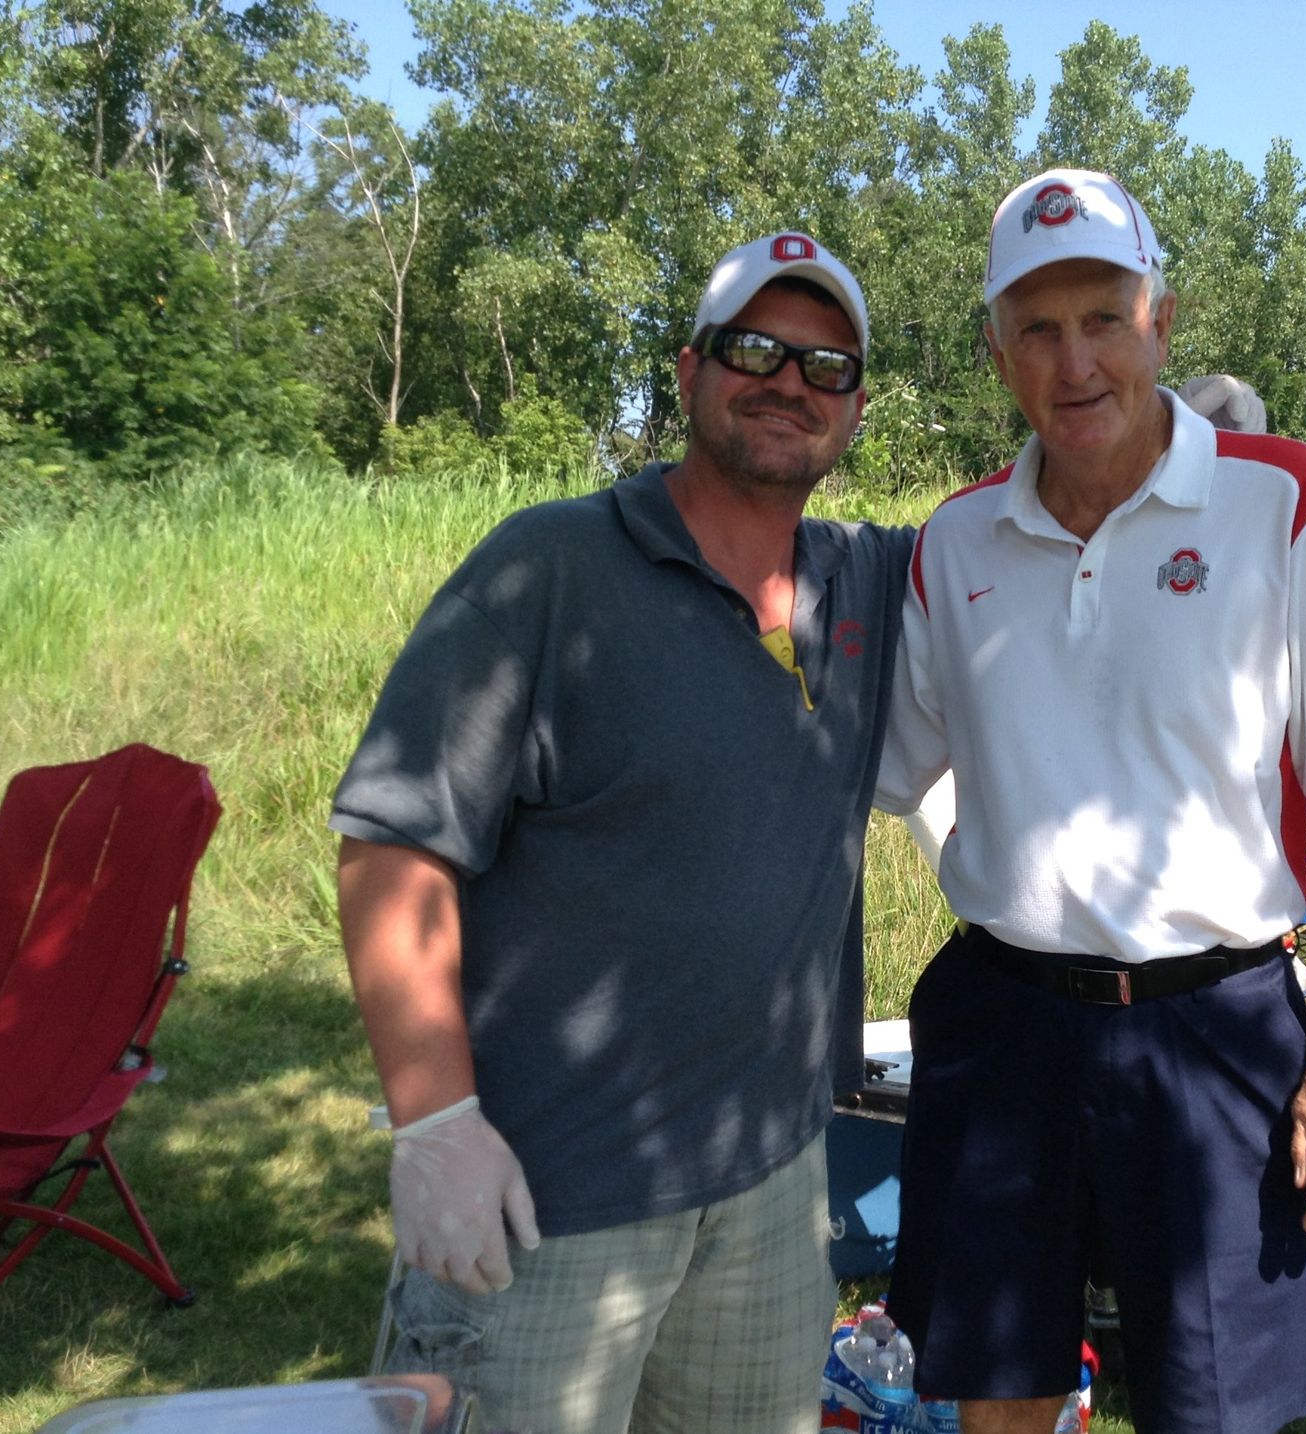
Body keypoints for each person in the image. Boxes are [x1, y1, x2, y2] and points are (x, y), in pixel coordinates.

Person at [872, 168, 1306, 1434]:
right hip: (1005, 1024)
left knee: (1220, 1409)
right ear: (996, 351)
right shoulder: (954, 543)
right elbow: (889, 768)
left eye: (1104, 318)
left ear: (1161, 324)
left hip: (1210, 1029)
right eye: (1037, 326)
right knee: (999, 1393)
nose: (1074, 360)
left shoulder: (1286, 500)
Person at [330, 231, 915, 1434]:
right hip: (548, 1199)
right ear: (691, 368)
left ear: (856, 409)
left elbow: (1058, 509)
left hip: (771, 1188)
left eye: (827, 366)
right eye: (756, 348)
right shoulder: (548, 571)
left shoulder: (866, 586)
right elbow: (395, 847)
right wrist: (435, 1125)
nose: (790, 383)